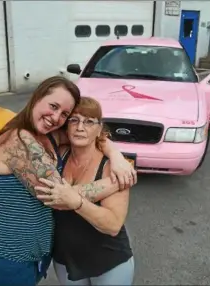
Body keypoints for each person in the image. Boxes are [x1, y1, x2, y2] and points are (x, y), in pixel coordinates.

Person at [0, 76, 137, 286]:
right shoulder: (16, 139)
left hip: (39, 253)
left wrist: (115, 155)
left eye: (64, 114)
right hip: (9, 254)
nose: (55, 117)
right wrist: (118, 181)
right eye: (53, 106)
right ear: (37, 98)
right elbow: (57, 195)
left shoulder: (49, 134)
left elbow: (88, 132)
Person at [36, 97, 134, 285]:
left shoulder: (112, 169)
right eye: (74, 120)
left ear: (99, 130)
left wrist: (77, 203)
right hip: (65, 259)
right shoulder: (58, 155)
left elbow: (113, 225)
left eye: (89, 122)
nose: (80, 127)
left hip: (108, 262)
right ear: (66, 126)